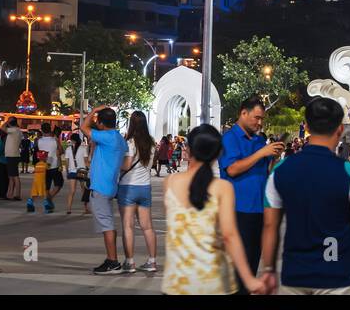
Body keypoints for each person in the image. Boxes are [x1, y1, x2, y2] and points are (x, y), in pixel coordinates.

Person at [260, 97, 350, 295]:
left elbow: (270, 225)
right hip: (337, 277)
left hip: (294, 274)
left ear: (306, 127)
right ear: (340, 129)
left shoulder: (281, 170)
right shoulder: (349, 173)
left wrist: (268, 269)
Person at [161, 124, 265, 295]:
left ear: (188, 150)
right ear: (217, 154)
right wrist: (249, 279)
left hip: (177, 283)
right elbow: (229, 235)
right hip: (213, 282)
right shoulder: (223, 188)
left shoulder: (170, 182)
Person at [219, 96, 286, 288]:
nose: (259, 122)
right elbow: (232, 169)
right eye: (256, 117)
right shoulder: (229, 138)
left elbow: (265, 171)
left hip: (259, 209)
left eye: (262, 119)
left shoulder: (258, 140)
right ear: (243, 113)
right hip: (238, 210)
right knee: (238, 268)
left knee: (252, 262)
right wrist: (262, 153)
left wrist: (273, 157)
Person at [80, 105, 128, 276]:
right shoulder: (119, 139)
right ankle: (111, 259)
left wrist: (92, 111)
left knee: (107, 225)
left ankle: (113, 262)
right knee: (108, 224)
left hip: (100, 186)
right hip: (109, 185)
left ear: (101, 123)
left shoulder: (106, 137)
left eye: (97, 120)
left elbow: (83, 127)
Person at [118, 110, 159, 274]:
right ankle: (152, 261)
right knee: (147, 226)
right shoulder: (151, 143)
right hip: (145, 187)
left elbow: (126, 166)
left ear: (132, 124)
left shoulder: (130, 143)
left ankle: (130, 262)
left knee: (128, 226)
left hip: (128, 187)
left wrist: (117, 163)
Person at [35, 126, 63, 210]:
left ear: (42, 131)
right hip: (54, 165)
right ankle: (49, 199)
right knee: (59, 184)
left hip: (44, 165)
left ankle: (48, 200)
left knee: (46, 186)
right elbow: (61, 151)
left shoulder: (38, 141)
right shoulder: (55, 140)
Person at [64, 132, 90, 214]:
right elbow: (86, 162)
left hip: (72, 172)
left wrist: (68, 171)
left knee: (72, 191)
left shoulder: (68, 149)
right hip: (82, 172)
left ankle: (68, 209)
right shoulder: (83, 148)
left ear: (72, 140)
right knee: (83, 190)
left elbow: (67, 162)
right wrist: (89, 169)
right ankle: (86, 209)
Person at [3, 120, 23, 201]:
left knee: (14, 176)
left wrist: (6, 121)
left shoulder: (13, 130)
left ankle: (17, 194)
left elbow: (2, 128)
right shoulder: (18, 131)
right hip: (14, 155)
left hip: (12, 155)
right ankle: (9, 194)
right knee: (11, 176)